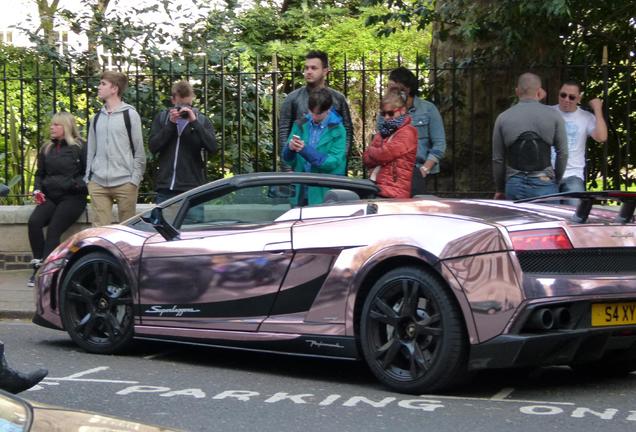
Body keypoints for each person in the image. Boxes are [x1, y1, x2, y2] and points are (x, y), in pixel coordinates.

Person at [27, 112, 87, 287]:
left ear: (66, 127)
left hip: (73, 197)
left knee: (54, 230)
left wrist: (75, 185)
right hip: (51, 196)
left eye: (56, 125)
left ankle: (46, 273)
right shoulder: (47, 148)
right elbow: (40, 174)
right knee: (34, 222)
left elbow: (88, 173)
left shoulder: (80, 147)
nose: (51, 128)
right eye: (51, 124)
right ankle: (39, 262)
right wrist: (37, 189)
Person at [492, 72, 568, 200]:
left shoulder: (503, 118)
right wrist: (557, 179)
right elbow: (563, 153)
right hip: (545, 182)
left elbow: (498, 159)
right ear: (539, 92)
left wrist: (500, 189)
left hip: (514, 183)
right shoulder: (554, 116)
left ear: (517, 91)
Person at [85, 71, 146, 226]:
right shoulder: (97, 117)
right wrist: (89, 177)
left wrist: (135, 179)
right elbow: (91, 150)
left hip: (125, 181)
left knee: (126, 230)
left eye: (103, 84)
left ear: (114, 89)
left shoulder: (130, 115)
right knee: (100, 231)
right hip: (98, 182)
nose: (99, 87)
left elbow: (139, 151)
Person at [279, 50, 352, 171]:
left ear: (325, 71)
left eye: (313, 68)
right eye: (306, 68)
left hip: (329, 170)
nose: (308, 71)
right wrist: (287, 167)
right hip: (299, 170)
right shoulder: (292, 98)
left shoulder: (338, 99)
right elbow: (283, 132)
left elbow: (347, 131)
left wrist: (339, 161)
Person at [380, 67, 446, 196]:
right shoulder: (387, 110)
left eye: (392, 88)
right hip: (393, 174)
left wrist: (424, 169)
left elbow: (439, 144)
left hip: (420, 171)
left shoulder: (428, 109)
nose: (388, 91)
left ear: (406, 89)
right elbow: (380, 141)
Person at [149, 80, 218, 203]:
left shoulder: (201, 120)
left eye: (188, 106)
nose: (184, 110)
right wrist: (171, 124)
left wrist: (194, 122)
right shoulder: (162, 119)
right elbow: (153, 147)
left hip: (192, 187)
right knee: (164, 222)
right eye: (180, 106)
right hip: (166, 187)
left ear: (192, 101)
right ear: (173, 100)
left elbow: (213, 148)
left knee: (193, 222)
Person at [282, 88, 346, 205]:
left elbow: (333, 162)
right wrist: (290, 149)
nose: (314, 116)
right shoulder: (300, 124)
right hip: (301, 189)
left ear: (328, 109)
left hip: (325, 191)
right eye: (311, 111)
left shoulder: (338, 129)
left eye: (319, 113)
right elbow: (288, 160)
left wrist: (305, 150)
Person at [551, 80, 608, 197]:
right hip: (548, 174)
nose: (566, 99)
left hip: (573, 175)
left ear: (579, 98)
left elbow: (601, 137)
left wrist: (597, 109)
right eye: (563, 95)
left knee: (575, 211)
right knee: (547, 212)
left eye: (571, 97)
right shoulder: (547, 112)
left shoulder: (586, 117)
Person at [363, 89, 418, 198]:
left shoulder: (408, 132)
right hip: (377, 188)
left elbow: (384, 154)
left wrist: (371, 151)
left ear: (402, 110)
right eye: (383, 113)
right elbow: (366, 159)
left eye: (390, 113)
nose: (386, 117)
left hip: (394, 192)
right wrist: (375, 153)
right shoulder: (383, 131)